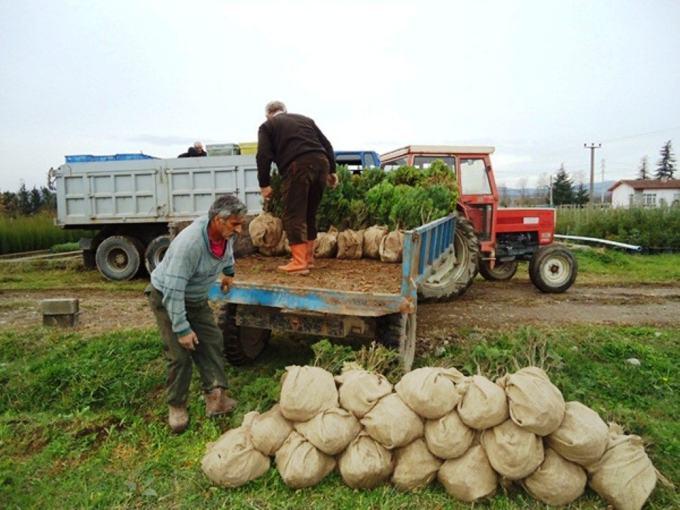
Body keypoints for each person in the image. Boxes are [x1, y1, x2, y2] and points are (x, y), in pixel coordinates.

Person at [145, 194, 246, 433]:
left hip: (195, 299)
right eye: (235, 224)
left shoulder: (224, 234)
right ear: (218, 220)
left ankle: (216, 397)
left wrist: (229, 272)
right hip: (167, 297)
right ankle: (177, 405)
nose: (240, 229)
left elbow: (227, 252)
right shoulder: (189, 245)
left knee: (212, 340)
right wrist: (182, 328)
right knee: (180, 354)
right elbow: (173, 291)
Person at [256, 101, 338, 275]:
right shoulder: (306, 120)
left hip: (297, 165)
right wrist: (332, 170)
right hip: (321, 163)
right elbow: (327, 144)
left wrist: (264, 184)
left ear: (268, 114)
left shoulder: (268, 126)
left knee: (293, 213)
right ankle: (308, 258)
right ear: (285, 111)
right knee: (309, 212)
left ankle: (299, 262)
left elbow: (263, 154)